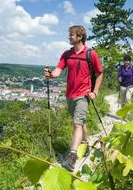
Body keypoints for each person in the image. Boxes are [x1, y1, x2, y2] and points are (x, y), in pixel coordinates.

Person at [44, 25, 103, 172]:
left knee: (76, 124)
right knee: (80, 123)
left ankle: (72, 156)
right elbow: (58, 71)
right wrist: (51, 74)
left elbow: (99, 73)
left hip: (83, 95)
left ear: (80, 37)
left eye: (71, 35)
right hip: (69, 95)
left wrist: (95, 91)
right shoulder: (66, 54)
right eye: (69, 34)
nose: (69, 37)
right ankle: (85, 144)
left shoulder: (91, 54)